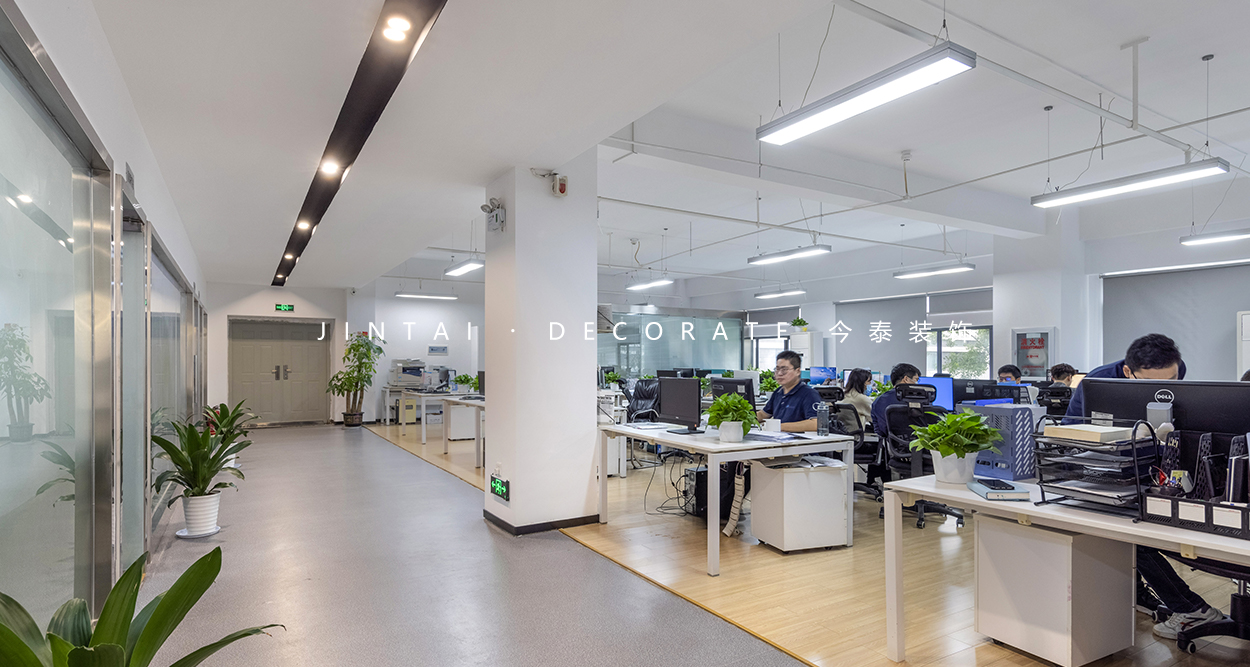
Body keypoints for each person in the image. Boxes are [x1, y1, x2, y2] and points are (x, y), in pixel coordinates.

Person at [1062, 334, 1216, 640]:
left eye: (1172, 378)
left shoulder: (1176, 369)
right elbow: (1069, 433)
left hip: (1158, 469)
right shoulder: (1097, 383)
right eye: (1150, 381)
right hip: (1107, 471)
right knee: (1132, 536)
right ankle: (1185, 607)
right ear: (1128, 372)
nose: (1166, 385)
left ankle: (1159, 599)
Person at [756, 351, 821, 432]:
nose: (779, 373)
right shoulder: (778, 392)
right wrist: (744, 417)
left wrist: (779, 427)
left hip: (798, 439)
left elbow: (816, 424)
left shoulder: (809, 394)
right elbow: (763, 414)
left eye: (784, 370)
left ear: (797, 371)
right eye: (777, 369)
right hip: (778, 437)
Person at [871, 363, 920, 441]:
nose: (917, 383)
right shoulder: (920, 400)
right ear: (906, 379)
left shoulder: (878, 401)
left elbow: (880, 432)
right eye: (916, 379)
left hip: (892, 446)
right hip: (920, 445)